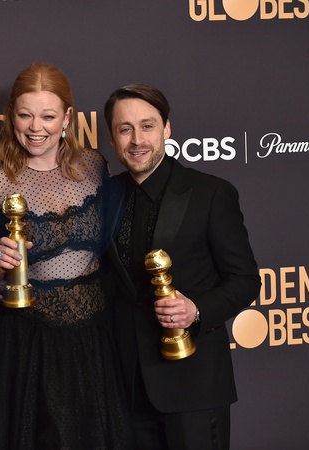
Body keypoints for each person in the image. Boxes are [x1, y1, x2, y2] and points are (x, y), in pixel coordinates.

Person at [0, 62, 133, 450]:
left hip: (95, 340)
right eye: (25, 115)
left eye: (48, 116)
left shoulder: (94, 166)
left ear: (67, 117)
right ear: (11, 115)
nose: (36, 127)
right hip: (26, 345)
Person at [102, 83, 261, 449]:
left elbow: (245, 280)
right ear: (112, 138)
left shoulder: (210, 193)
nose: (137, 140)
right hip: (125, 389)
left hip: (194, 387)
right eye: (125, 129)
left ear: (167, 129)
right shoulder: (104, 197)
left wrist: (196, 309)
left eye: (147, 126)